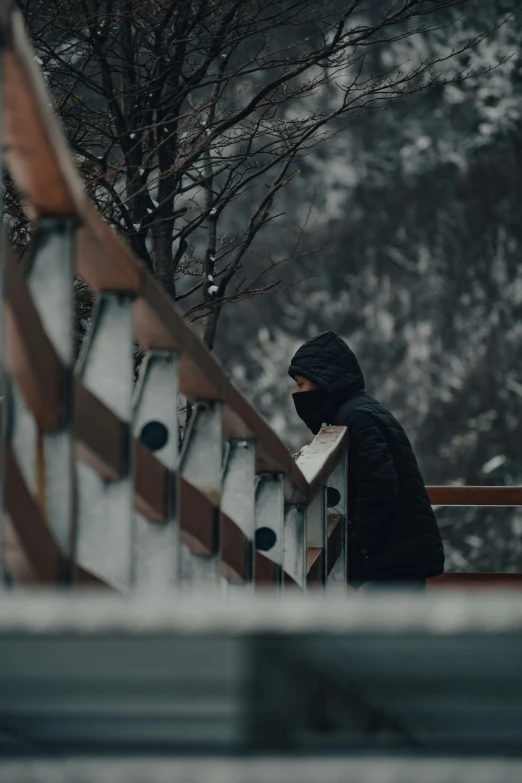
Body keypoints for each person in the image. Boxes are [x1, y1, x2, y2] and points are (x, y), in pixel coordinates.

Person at [289, 330, 444, 590]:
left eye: (301, 384)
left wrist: (360, 545)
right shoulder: (359, 412)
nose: (298, 392)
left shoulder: (357, 418)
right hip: (396, 557)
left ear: (323, 382)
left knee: (386, 630)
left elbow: (379, 484)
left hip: (390, 563)